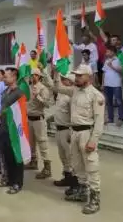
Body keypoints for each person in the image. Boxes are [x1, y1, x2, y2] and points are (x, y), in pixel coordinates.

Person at [47, 64, 105, 215]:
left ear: (89, 77)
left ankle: (94, 199)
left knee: (91, 165)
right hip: (74, 132)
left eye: (80, 75)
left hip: (87, 133)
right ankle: (82, 191)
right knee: (77, 165)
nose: (76, 78)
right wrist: (55, 73)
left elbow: (99, 121)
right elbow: (57, 88)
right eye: (76, 75)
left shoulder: (96, 95)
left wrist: (94, 140)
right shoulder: (74, 91)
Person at [42, 70, 78, 189]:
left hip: (67, 130)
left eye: (64, 79)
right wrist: (48, 72)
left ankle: (75, 182)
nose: (62, 81)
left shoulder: (72, 96)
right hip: (59, 129)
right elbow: (52, 85)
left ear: (70, 82)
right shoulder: (61, 93)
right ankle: (67, 177)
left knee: (70, 157)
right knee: (62, 156)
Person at [0, 67, 24, 195]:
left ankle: (17, 183)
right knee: (6, 155)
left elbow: (18, 111)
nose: (3, 78)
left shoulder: (19, 93)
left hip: (14, 129)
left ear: (14, 77)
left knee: (16, 156)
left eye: (6, 76)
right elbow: (3, 107)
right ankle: (9, 179)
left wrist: (0, 114)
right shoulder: (5, 91)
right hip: (4, 127)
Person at [26, 68, 52, 179]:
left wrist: (38, 96)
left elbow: (47, 104)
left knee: (42, 143)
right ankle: (33, 161)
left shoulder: (43, 88)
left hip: (38, 119)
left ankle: (47, 168)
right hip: (29, 119)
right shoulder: (29, 87)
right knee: (31, 143)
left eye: (35, 75)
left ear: (39, 76)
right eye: (31, 75)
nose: (33, 77)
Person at [103, 46, 123, 126]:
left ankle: (121, 118)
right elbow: (104, 72)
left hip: (116, 84)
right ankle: (110, 118)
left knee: (119, 101)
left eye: (108, 51)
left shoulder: (118, 60)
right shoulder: (106, 61)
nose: (106, 53)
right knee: (109, 102)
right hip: (107, 84)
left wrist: (111, 66)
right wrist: (103, 84)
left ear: (112, 52)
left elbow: (121, 71)